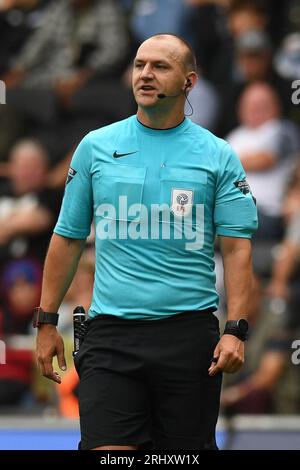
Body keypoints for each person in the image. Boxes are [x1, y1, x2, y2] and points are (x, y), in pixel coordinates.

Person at [35, 33, 257, 450]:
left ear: (189, 81)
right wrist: (46, 322)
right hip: (110, 337)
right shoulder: (95, 148)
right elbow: (67, 238)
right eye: (139, 65)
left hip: (189, 337)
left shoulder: (218, 155)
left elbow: (236, 247)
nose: (145, 74)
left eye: (160, 66)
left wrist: (236, 330)